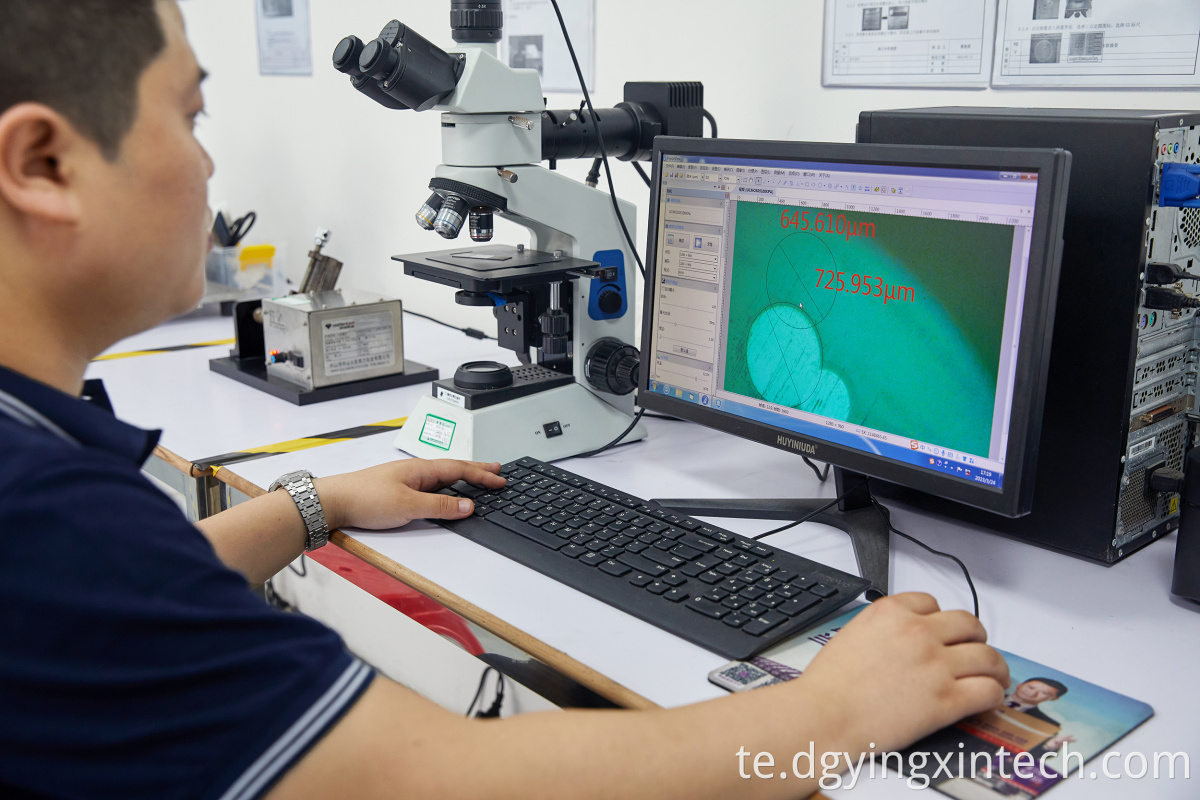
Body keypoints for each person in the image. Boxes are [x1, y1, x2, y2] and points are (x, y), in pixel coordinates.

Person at [0, 2, 1011, 798]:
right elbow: (437, 778)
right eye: (190, 117)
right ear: (42, 163)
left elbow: (126, 605)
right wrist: (832, 712)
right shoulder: (49, 517)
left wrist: (320, 503)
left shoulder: (44, 487)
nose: (209, 163)